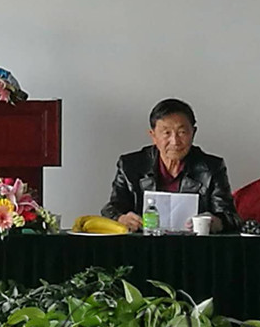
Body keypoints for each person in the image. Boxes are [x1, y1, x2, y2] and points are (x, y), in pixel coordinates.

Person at [101, 98, 241, 233]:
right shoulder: (130, 165)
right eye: (166, 133)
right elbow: (111, 209)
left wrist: (216, 222)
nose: (175, 141)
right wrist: (121, 218)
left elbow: (231, 217)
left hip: (194, 245)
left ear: (193, 133)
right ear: (153, 136)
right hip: (144, 244)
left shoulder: (211, 168)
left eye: (182, 132)